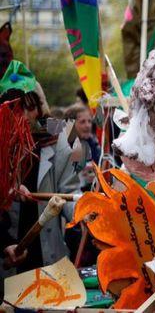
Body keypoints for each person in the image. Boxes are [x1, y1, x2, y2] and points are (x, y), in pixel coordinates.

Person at [0, 61, 80, 283]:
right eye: (16, 108)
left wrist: (87, 215)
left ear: (39, 107)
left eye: (30, 107)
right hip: (8, 252)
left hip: (48, 252)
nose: (25, 116)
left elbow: (70, 193)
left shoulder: (59, 141)